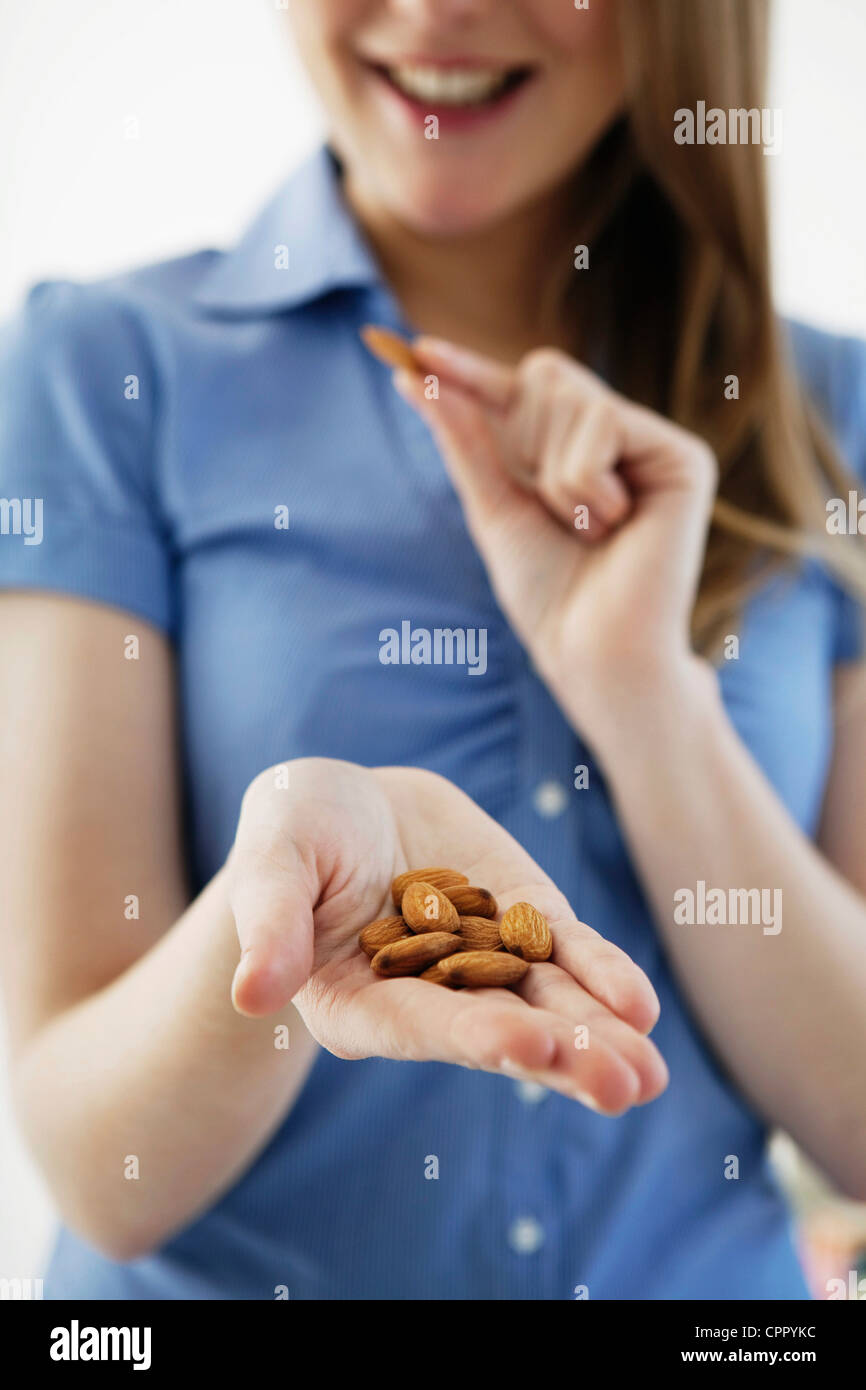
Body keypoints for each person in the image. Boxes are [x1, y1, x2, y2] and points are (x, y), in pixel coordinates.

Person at [0, 0, 864, 1302]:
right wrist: (285, 900)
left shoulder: (830, 412)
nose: (438, 12)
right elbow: (97, 1168)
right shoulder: (102, 369)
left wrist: (639, 696)